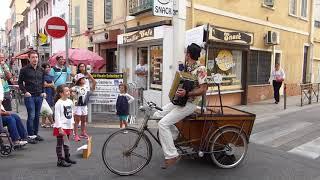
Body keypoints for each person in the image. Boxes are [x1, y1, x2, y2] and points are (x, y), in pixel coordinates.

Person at [153, 43, 208, 169]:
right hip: (180, 101)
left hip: (190, 103)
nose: (185, 55)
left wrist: (187, 93)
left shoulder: (201, 69)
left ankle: (172, 155)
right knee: (157, 114)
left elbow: (203, 89)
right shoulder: (187, 68)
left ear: (188, 54)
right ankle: (175, 135)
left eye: (186, 53)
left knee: (163, 123)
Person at [18, 50, 46, 142]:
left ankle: (35, 134)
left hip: (39, 96)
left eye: (36, 57)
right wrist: (25, 92)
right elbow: (20, 83)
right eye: (33, 57)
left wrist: (43, 91)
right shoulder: (24, 70)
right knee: (31, 115)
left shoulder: (41, 70)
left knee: (37, 116)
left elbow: (43, 83)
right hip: (29, 96)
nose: (35, 59)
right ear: (29, 58)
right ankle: (30, 135)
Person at [53, 84, 76, 167]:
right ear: (61, 93)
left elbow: (71, 114)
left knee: (66, 142)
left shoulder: (69, 101)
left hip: (68, 126)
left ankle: (67, 157)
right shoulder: (58, 103)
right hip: (61, 127)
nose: (68, 92)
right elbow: (57, 117)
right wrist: (59, 128)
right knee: (59, 144)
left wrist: (72, 124)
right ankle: (60, 160)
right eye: (66, 91)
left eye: (68, 90)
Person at [71, 73, 90, 141]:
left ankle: (83, 132)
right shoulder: (75, 88)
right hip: (77, 105)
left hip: (84, 105)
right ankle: (75, 134)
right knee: (77, 120)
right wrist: (73, 95)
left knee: (84, 119)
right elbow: (70, 90)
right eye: (82, 78)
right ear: (79, 80)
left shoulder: (86, 86)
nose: (84, 79)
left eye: (84, 78)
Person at [41, 63, 55, 128]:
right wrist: (51, 85)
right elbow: (44, 85)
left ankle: (43, 123)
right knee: (46, 107)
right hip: (45, 92)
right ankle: (52, 122)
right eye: (47, 67)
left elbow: (52, 84)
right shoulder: (42, 75)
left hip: (50, 92)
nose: (49, 68)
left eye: (49, 67)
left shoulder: (50, 75)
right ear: (43, 68)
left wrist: (50, 85)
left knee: (46, 107)